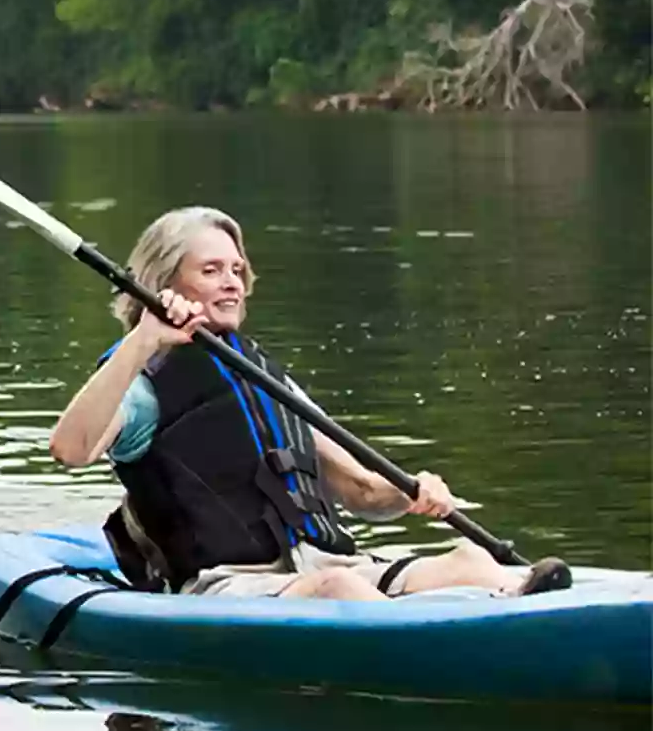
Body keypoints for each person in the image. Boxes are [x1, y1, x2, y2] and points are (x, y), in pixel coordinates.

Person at [48, 205, 570, 600]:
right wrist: (144, 338)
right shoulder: (142, 382)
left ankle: (524, 606)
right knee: (340, 589)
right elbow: (70, 449)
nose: (232, 282)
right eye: (211, 271)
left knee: (468, 560)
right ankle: (433, 648)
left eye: (237, 269)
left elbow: (361, 489)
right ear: (164, 285)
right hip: (225, 584)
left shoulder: (266, 380)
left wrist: (414, 491)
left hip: (317, 563)